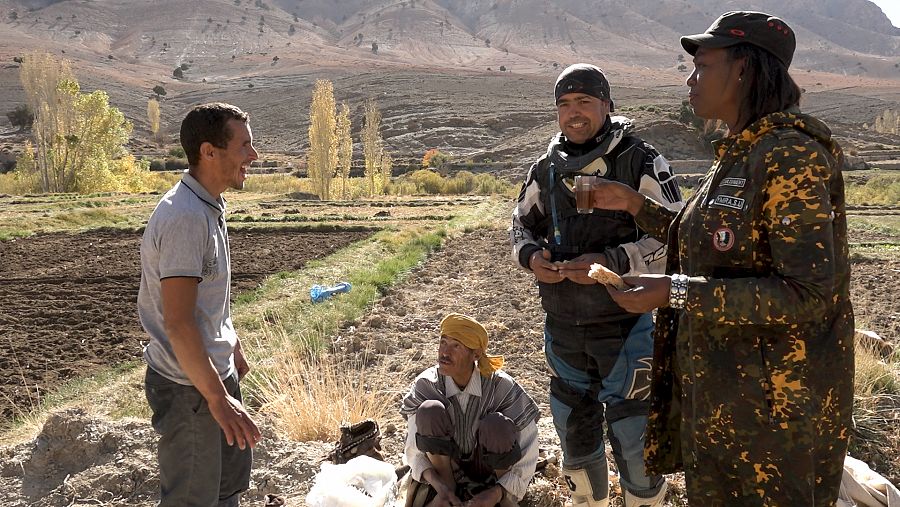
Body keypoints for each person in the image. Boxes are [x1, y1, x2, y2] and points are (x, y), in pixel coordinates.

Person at [589, 11, 854, 506]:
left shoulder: (789, 155)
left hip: (773, 425)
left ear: (744, 70)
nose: (690, 80)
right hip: (723, 406)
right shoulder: (739, 153)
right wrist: (632, 204)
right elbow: (712, 246)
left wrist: (673, 291)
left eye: (702, 66)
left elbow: (808, 294)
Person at [511, 63, 682, 506]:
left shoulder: (641, 161)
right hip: (564, 327)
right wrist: (532, 259)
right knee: (573, 429)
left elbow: (675, 236)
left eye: (584, 101)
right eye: (564, 104)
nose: (574, 113)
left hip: (626, 327)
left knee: (634, 433)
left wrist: (610, 261)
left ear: (607, 105)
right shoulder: (544, 170)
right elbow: (520, 227)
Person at [138, 102, 262, 506]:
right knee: (193, 499)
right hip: (188, 389)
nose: (253, 156)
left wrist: (230, 343)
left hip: (211, 374)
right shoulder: (185, 217)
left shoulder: (209, 204)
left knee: (227, 490)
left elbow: (207, 296)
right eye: (244, 145)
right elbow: (177, 322)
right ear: (209, 152)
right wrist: (216, 398)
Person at [400, 313, 540, 507]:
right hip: (446, 470)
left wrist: (500, 491)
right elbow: (414, 449)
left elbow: (529, 446)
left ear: (476, 355)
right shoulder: (427, 384)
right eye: (443, 343)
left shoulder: (501, 386)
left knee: (496, 425)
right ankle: (448, 491)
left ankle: (500, 498)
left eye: (456, 346)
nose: (445, 353)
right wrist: (439, 485)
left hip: (495, 474)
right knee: (429, 410)